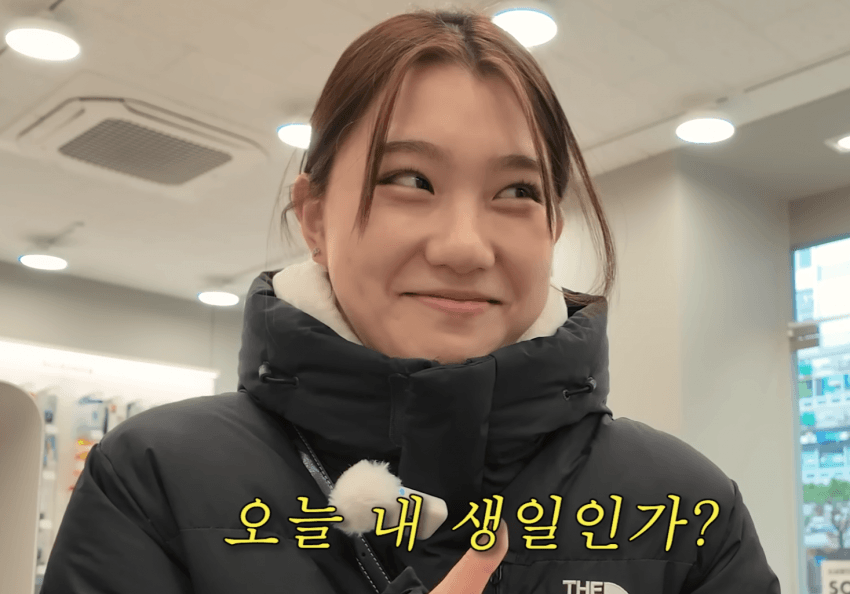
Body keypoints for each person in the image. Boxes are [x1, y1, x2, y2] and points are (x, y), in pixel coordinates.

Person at [41, 8, 781, 594]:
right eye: (410, 180)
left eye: (517, 191)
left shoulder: (687, 506)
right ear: (315, 218)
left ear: (553, 228)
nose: (465, 246)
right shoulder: (154, 479)